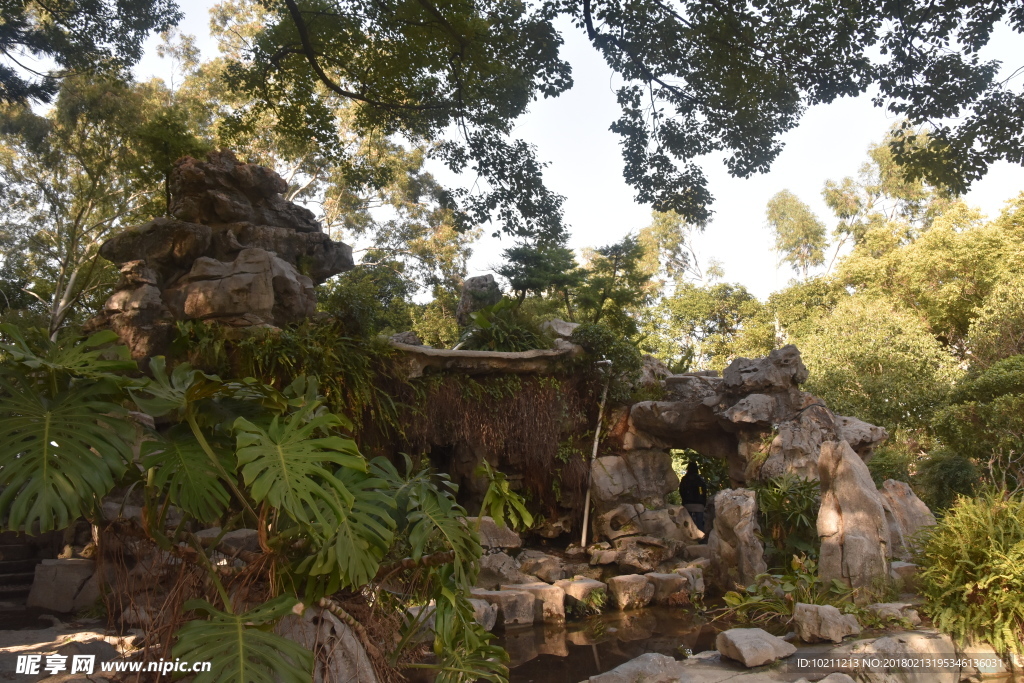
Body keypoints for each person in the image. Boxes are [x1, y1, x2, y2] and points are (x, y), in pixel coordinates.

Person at [679, 461, 708, 532]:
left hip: (688, 504)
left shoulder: (684, 479)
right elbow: (702, 492)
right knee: (699, 523)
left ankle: (689, 540)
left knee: (688, 524)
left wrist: (684, 501)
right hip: (699, 505)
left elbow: (681, 491)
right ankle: (701, 539)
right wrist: (703, 502)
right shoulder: (700, 480)